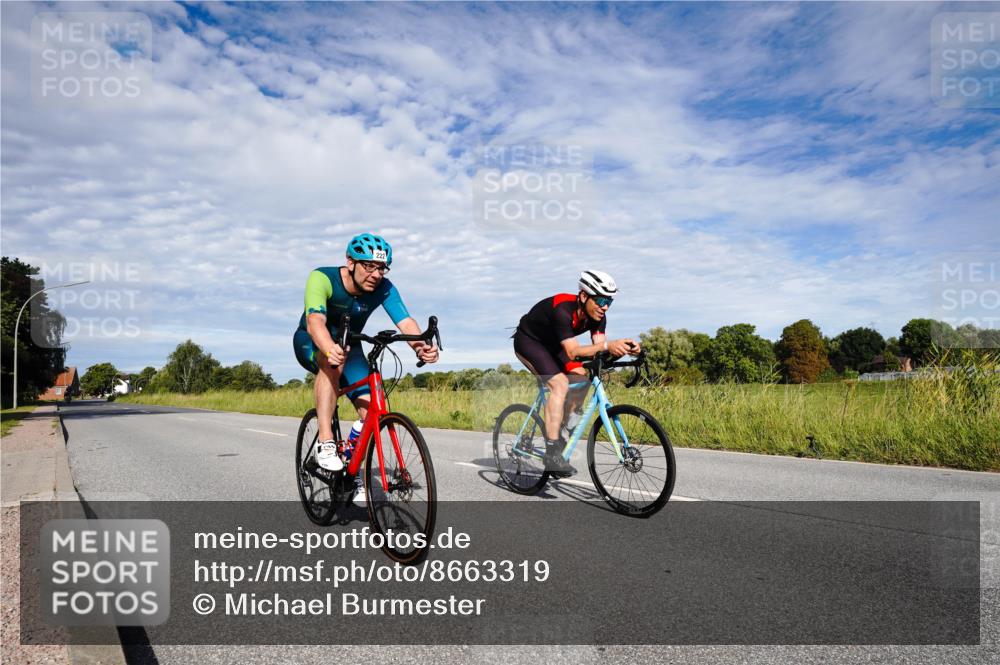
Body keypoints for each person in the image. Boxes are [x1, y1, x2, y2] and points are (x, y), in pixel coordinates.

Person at [293, 233, 439, 503]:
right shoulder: (322, 278)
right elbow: (315, 321)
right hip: (313, 340)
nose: (376, 273)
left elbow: (405, 321)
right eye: (369, 266)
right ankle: (326, 442)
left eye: (382, 267)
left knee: (371, 408)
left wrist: (419, 346)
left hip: (353, 345)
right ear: (350, 262)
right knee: (331, 363)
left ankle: (353, 468)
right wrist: (328, 347)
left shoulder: (384, 287)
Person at [512, 270, 640, 476]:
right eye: (599, 299)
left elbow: (599, 350)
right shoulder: (562, 309)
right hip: (530, 342)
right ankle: (552, 453)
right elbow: (573, 352)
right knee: (560, 384)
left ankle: (563, 430)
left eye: (609, 301)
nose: (604, 306)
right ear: (583, 296)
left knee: (582, 378)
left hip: (556, 347)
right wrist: (609, 345)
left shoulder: (599, 317)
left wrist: (626, 350)